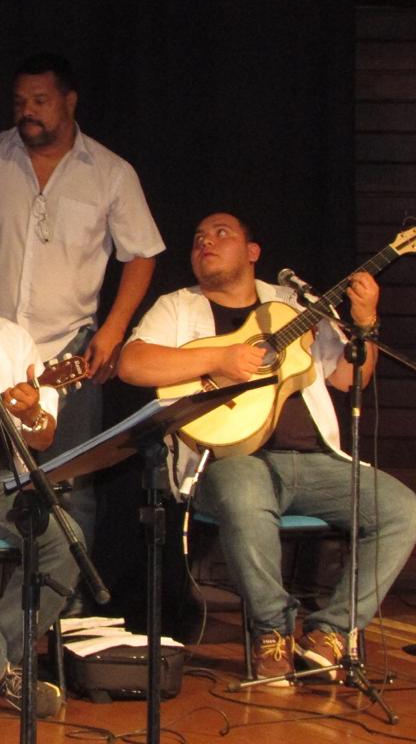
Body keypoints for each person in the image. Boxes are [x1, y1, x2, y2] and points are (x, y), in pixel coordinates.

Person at [117, 211, 416, 684]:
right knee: (245, 494)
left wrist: (366, 323)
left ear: (253, 252)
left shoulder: (295, 304)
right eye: (198, 238)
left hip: (315, 460)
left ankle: (332, 633)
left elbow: (349, 377)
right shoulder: (177, 306)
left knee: (402, 509)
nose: (206, 243)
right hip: (229, 459)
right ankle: (272, 631)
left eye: (221, 234)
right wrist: (222, 357)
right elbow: (132, 364)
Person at [0, 52, 165, 571]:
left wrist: (113, 330)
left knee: (70, 484)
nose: (28, 111)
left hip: (69, 350)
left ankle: (71, 609)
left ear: (69, 101)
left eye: (40, 101)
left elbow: (142, 254)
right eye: (20, 101)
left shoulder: (111, 173)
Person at [0, 233, 77, 718]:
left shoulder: (13, 339)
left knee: (65, 544)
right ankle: (2, 676)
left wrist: (30, 414)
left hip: (4, 480)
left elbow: (44, 438)